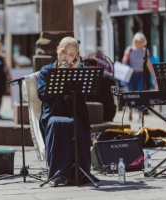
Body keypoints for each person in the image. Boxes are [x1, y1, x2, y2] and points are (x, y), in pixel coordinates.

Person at [37, 37, 99, 187]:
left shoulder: (81, 70)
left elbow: (85, 93)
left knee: (77, 124)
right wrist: (59, 74)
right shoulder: (46, 70)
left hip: (75, 112)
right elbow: (42, 94)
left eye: (71, 55)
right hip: (53, 113)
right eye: (64, 52)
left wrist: (75, 71)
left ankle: (79, 172)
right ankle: (55, 174)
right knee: (57, 124)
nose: (66, 57)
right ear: (57, 49)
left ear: (77, 57)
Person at [122, 32, 156, 122]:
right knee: (130, 93)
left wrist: (154, 76)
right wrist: (126, 57)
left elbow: (148, 64)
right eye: (138, 41)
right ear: (134, 41)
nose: (139, 43)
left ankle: (140, 114)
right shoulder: (130, 49)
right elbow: (124, 62)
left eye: (141, 41)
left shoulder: (145, 51)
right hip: (131, 74)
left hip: (141, 74)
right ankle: (130, 110)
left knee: (140, 94)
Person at [84, 55, 117, 122]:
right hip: (108, 113)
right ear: (96, 65)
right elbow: (114, 96)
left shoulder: (83, 76)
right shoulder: (108, 76)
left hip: (88, 113)